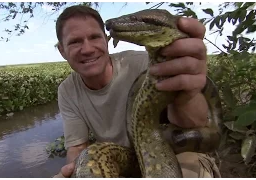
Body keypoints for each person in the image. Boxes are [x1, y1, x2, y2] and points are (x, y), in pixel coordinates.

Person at [52, 5, 221, 178]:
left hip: (170, 150)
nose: (87, 49)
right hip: (126, 159)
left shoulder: (148, 65)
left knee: (190, 164)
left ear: (106, 40)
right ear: (62, 50)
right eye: (75, 42)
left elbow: (193, 123)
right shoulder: (67, 90)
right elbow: (77, 147)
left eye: (95, 37)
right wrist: (75, 170)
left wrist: (188, 93)